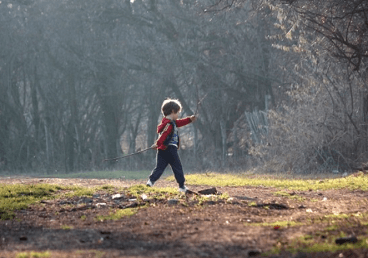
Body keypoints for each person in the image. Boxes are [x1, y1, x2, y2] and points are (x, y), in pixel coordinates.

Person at [146, 98, 196, 192]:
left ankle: (150, 181)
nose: (178, 115)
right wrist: (157, 143)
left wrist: (189, 119)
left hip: (162, 150)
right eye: (177, 113)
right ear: (172, 111)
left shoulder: (170, 122)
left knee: (159, 168)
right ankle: (181, 186)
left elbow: (181, 122)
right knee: (177, 167)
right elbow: (164, 135)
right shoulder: (169, 124)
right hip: (170, 149)